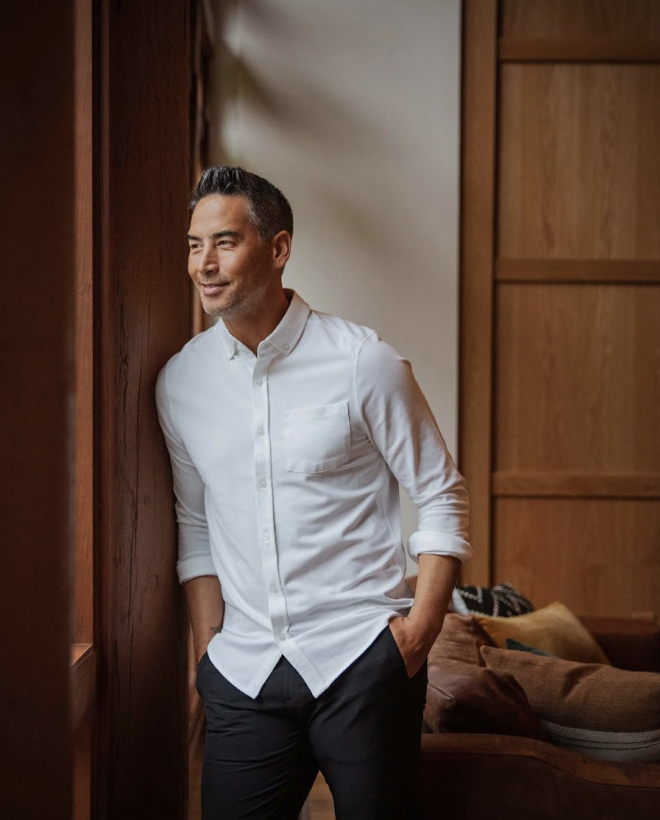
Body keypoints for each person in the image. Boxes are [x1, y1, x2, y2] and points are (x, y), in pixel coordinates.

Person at [156, 166, 470, 819]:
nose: (204, 264)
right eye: (193, 245)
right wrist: (207, 653)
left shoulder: (364, 363)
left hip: (363, 660)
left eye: (224, 242)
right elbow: (195, 524)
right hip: (243, 674)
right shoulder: (181, 382)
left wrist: (416, 635)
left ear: (277, 249)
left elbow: (441, 494)